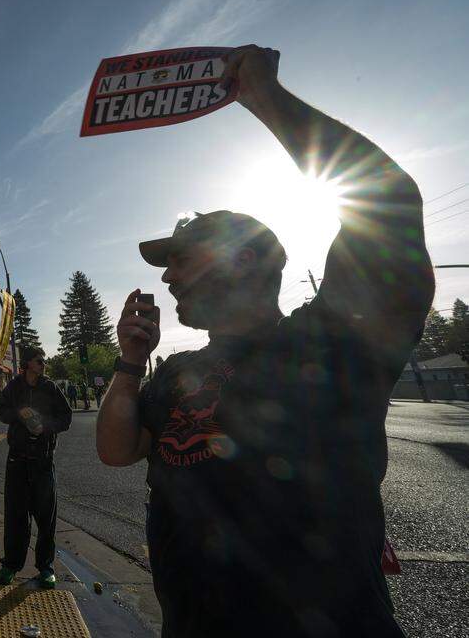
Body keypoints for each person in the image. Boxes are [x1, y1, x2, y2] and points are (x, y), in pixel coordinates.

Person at [96, 45, 433, 638]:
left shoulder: (331, 342)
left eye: (181, 258)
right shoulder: (176, 371)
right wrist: (129, 363)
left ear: (244, 258)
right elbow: (119, 450)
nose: (167, 275)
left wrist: (265, 99)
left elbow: (391, 202)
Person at [0, 347, 72, 588]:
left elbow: (66, 418)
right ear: (27, 363)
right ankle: (11, 565)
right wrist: (19, 413)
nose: (44, 364)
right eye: (40, 360)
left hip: (43, 460)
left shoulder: (50, 388)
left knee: (46, 517)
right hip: (17, 460)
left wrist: (45, 427)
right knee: (16, 515)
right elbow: (1, 412)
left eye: (44, 360)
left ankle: (45, 567)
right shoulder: (14, 387)